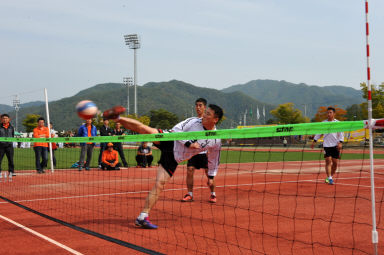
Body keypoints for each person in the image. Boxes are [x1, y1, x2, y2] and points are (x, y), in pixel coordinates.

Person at [103, 104, 223, 229]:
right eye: (206, 112)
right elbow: (176, 129)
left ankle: (143, 216)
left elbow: (214, 158)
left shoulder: (216, 139)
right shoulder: (194, 121)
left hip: (174, 157)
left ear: (215, 119)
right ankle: (117, 118)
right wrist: (189, 143)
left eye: (208, 114)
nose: (204, 114)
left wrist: (210, 176)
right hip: (169, 140)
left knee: (160, 184)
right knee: (145, 130)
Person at [181, 98, 216, 203]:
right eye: (196, 105)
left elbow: (214, 137)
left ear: (205, 107)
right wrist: (188, 144)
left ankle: (213, 194)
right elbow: (181, 133)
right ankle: (190, 194)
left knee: (209, 176)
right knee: (190, 170)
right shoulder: (192, 122)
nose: (198, 107)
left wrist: (211, 149)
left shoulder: (210, 121)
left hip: (205, 153)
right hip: (193, 153)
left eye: (200, 105)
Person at [311, 107, 344, 185]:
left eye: (330, 112)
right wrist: (314, 141)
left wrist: (340, 142)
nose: (329, 114)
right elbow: (319, 133)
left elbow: (341, 134)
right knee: (328, 161)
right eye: (327, 113)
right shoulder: (323, 123)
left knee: (335, 163)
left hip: (335, 145)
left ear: (334, 114)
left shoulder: (338, 123)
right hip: (326, 145)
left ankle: (330, 176)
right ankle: (330, 178)